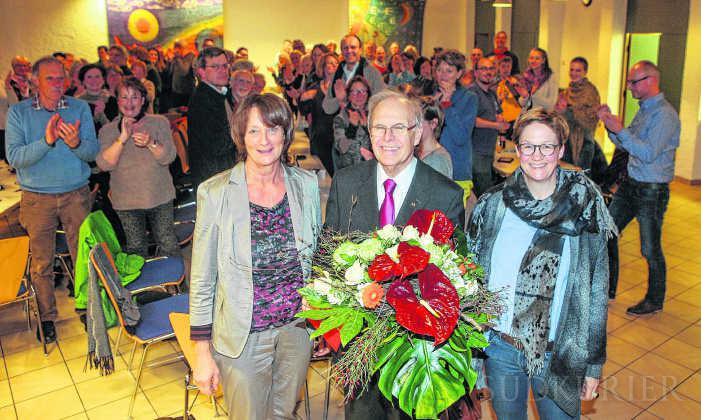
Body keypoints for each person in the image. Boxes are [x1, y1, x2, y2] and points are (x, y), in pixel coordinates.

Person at [325, 89, 464, 419]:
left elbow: (452, 276)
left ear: (417, 133)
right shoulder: (346, 183)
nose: (387, 138)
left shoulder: (444, 195)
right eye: (378, 128)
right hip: (357, 347)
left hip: (415, 351)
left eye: (398, 128)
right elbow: (326, 255)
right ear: (369, 132)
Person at [467, 108, 613, 420]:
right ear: (516, 149)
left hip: (559, 352)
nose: (537, 155)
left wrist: (593, 365)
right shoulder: (493, 205)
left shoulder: (584, 205)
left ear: (561, 149)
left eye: (547, 146)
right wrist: (473, 353)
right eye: (529, 146)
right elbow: (473, 280)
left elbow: (598, 290)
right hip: (501, 348)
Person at [190, 93, 321, 420]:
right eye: (254, 131)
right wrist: (202, 351)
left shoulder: (306, 185)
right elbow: (202, 279)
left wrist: (322, 319)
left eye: (273, 129)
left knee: (284, 413)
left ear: (286, 134)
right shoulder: (215, 192)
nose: (264, 140)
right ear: (241, 137)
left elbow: (316, 257)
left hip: (296, 330)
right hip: (243, 336)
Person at [6, 56, 99, 343]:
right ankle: (47, 317)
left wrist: (75, 144)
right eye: (51, 79)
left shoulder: (79, 108)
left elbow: (91, 153)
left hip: (76, 194)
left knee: (83, 256)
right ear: (35, 81)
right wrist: (46, 142)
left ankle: (88, 308)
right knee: (42, 263)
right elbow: (15, 157)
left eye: (62, 78)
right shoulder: (19, 113)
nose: (58, 84)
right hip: (37, 199)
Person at [598, 60, 680, 314]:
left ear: (650, 81)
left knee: (649, 248)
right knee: (606, 231)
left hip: (652, 190)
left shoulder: (665, 115)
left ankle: (655, 299)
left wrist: (620, 130)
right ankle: (607, 289)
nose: (629, 86)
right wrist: (610, 125)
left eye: (634, 82)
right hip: (631, 184)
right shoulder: (644, 109)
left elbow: (647, 152)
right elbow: (626, 144)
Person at [96, 77, 179, 257]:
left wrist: (151, 142)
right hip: (126, 200)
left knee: (167, 242)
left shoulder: (159, 122)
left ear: (143, 100)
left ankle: (177, 284)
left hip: (159, 194)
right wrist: (122, 139)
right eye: (124, 97)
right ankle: (143, 285)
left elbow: (168, 157)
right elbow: (104, 164)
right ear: (117, 101)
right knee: (135, 248)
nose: (129, 103)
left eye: (135, 97)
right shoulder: (108, 130)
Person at [430, 49, 478, 203]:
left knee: (453, 223)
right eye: (439, 70)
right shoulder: (429, 95)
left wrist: (446, 105)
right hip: (432, 167)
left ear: (459, 74)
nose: (443, 75)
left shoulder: (469, 98)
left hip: (457, 169)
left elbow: (461, 137)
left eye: (449, 71)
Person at [187, 47, 237, 191]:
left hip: (222, 173)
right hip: (213, 179)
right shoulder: (202, 100)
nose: (222, 71)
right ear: (201, 72)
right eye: (215, 67)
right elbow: (219, 146)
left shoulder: (219, 92)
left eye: (225, 66)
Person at [468, 58, 509, 196]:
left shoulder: (491, 93)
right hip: (476, 154)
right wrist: (496, 125)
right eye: (483, 69)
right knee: (485, 196)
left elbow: (498, 113)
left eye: (491, 69)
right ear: (476, 72)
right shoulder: (471, 93)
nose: (488, 72)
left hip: (489, 151)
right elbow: (471, 120)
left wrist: (500, 119)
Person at [556, 57, 601, 171]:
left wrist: (568, 110)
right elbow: (560, 115)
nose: (573, 73)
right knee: (566, 174)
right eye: (571, 70)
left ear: (585, 72)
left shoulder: (590, 92)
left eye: (578, 70)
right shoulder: (567, 91)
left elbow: (591, 120)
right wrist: (559, 110)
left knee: (582, 177)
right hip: (567, 140)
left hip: (584, 142)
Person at [322, 34, 385, 115]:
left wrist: (349, 103)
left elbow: (380, 102)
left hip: (365, 125)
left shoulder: (373, 73)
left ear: (360, 50)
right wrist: (338, 99)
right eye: (345, 48)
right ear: (341, 51)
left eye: (353, 47)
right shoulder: (337, 74)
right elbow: (327, 108)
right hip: (341, 125)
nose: (349, 51)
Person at [299, 52, 339, 176]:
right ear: (322, 66)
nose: (332, 66)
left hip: (337, 138)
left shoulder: (343, 87)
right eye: (329, 63)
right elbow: (304, 111)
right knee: (323, 174)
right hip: (319, 137)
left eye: (335, 63)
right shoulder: (314, 87)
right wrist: (303, 98)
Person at [332, 76, 373, 170]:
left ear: (368, 94)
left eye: (363, 91)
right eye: (354, 91)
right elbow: (341, 147)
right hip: (350, 170)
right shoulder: (341, 118)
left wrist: (367, 128)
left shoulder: (374, 116)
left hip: (372, 168)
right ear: (349, 95)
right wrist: (352, 127)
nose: (359, 95)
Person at [416, 98, 452, 178]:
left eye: (418, 122)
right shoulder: (416, 151)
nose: (413, 126)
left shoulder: (439, 159)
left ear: (433, 123)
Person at [169, 40, 196, 107]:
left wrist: (178, 58)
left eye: (178, 48)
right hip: (175, 92)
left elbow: (184, 72)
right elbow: (170, 72)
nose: (176, 50)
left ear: (184, 48)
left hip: (186, 93)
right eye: (175, 48)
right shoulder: (177, 58)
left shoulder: (190, 57)